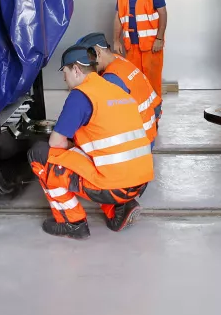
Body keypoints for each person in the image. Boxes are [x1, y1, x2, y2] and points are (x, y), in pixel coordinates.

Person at [28, 44, 153, 240]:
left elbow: (56, 142)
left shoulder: (81, 95)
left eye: (65, 73)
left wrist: (68, 145)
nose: (64, 79)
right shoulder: (115, 89)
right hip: (140, 182)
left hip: (115, 185)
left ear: (76, 70)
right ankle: (120, 208)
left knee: (41, 153)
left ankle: (71, 222)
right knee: (89, 155)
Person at [76, 32, 162, 146]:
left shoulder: (112, 78)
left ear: (97, 53)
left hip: (137, 144)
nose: (88, 67)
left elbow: (105, 121)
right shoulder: (119, 60)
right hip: (148, 133)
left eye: (88, 62)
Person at [113, 0, 167, 100]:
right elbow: (118, 17)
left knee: (152, 85)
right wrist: (116, 40)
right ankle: (139, 117)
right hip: (131, 47)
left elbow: (162, 13)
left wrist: (159, 39)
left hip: (151, 47)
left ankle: (154, 118)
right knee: (134, 83)